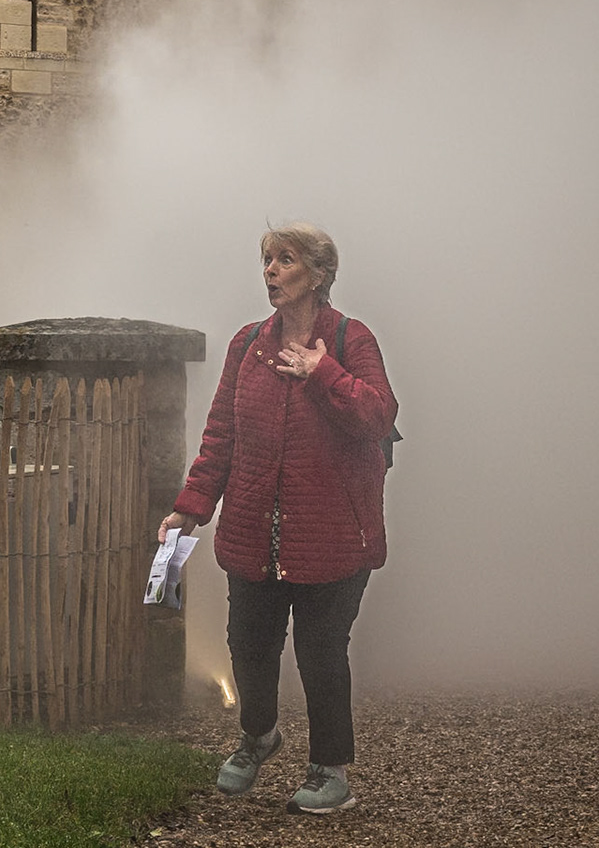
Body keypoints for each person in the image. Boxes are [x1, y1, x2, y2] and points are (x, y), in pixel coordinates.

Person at [159, 222, 396, 815]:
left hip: (334, 535)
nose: (269, 270)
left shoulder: (349, 339)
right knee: (248, 645)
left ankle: (329, 768)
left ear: (317, 275)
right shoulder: (248, 346)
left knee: (321, 652)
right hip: (251, 532)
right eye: (266, 259)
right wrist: (191, 508)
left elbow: (377, 414)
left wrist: (324, 375)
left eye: (284, 260)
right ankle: (258, 736)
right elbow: (222, 435)